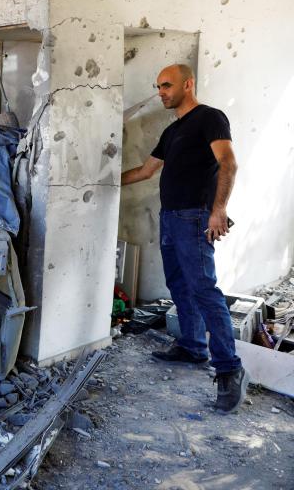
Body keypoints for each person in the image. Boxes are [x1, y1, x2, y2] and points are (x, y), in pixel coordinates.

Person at [121, 63, 247, 413]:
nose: (160, 91)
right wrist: (102, 183)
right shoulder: (173, 130)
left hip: (194, 217)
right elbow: (147, 170)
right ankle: (192, 346)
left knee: (205, 290)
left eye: (166, 85)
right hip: (170, 218)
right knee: (178, 284)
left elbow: (229, 163)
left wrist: (218, 210)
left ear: (187, 84)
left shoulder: (210, 118)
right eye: (158, 85)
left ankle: (229, 370)